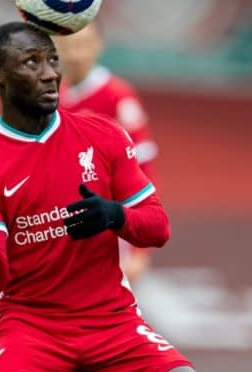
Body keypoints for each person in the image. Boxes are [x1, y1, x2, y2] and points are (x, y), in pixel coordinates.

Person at [0, 21, 210, 372]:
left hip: (110, 319)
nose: (49, 74)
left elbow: (158, 228)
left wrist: (116, 215)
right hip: (32, 324)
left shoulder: (104, 135)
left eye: (51, 60)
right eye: (32, 63)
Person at [53, 22, 158, 286]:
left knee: (113, 311)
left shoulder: (116, 96)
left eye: (82, 44)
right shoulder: (55, 96)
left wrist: (140, 247)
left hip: (109, 226)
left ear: (98, 46)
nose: (75, 54)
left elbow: (142, 168)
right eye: (68, 45)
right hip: (66, 225)